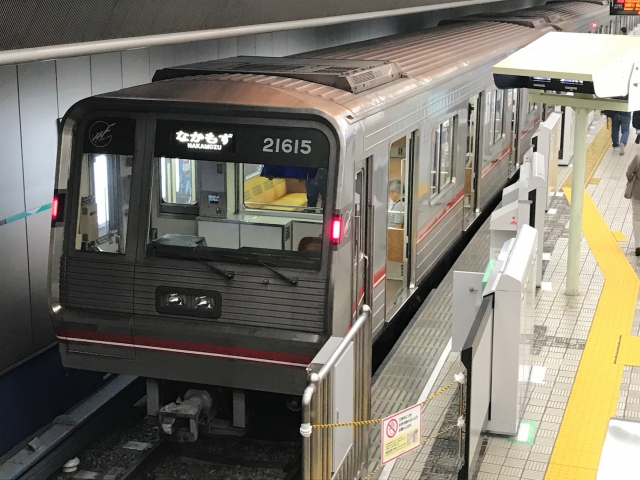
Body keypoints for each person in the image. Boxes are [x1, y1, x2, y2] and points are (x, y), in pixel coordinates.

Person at [626, 154, 640, 255]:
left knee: (637, 218)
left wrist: (632, 180)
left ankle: (638, 245)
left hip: (637, 192)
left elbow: (629, 173)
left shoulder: (638, 157)